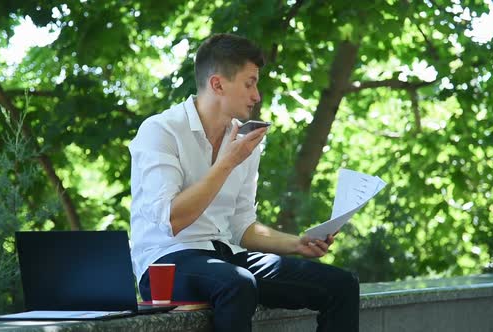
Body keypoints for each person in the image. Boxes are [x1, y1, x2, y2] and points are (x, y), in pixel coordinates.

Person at [129, 33, 359, 332]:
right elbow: (171, 220)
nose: (257, 95)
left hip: (226, 256)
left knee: (341, 285)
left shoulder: (244, 142)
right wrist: (228, 162)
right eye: (249, 83)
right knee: (237, 283)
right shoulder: (161, 130)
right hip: (167, 264)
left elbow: (242, 227)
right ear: (217, 84)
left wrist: (297, 243)